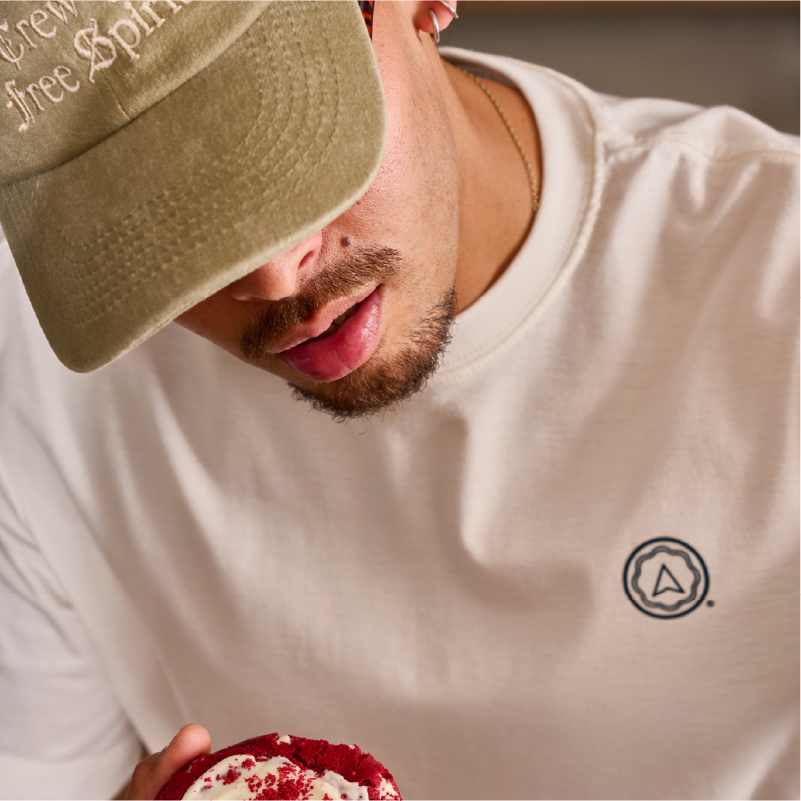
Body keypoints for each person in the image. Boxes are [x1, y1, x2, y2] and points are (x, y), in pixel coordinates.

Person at [2, 0, 801, 799]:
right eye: (148, 219)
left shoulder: (777, 285)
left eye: (286, 139)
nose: (273, 279)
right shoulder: (29, 371)